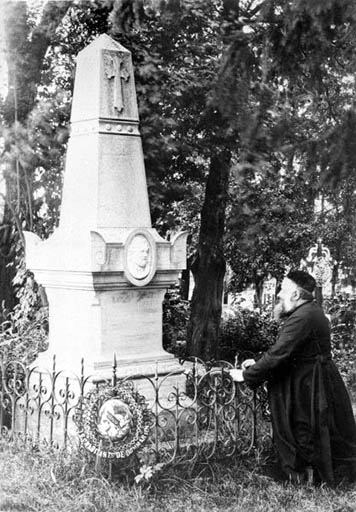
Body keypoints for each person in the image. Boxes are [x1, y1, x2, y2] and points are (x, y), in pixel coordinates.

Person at [233, 270, 356, 485]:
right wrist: (258, 364)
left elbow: (279, 353)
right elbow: (289, 351)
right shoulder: (310, 312)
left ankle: (305, 476)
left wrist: (246, 375)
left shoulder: (303, 316)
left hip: (309, 383)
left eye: (283, 289)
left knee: (305, 427)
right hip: (313, 378)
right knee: (320, 428)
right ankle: (317, 473)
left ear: (296, 295)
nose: (279, 294)